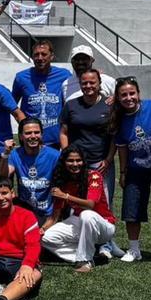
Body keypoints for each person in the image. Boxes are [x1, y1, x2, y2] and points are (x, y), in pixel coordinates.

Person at [110, 77, 151, 267]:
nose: (128, 98)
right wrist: (123, 172)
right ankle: (134, 249)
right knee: (131, 210)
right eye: (123, 95)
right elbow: (122, 148)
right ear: (118, 97)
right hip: (136, 170)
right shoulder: (118, 117)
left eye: (132, 93)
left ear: (138, 93)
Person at [41, 146, 118, 273]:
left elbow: (90, 205)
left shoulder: (94, 176)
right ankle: (90, 256)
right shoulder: (62, 181)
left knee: (87, 215)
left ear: (84, 161)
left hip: (104, 225)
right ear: (64, 162)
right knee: (45, 238)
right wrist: (42, 230)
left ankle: (85, 260)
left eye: (78, 160)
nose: (75, 164)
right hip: (79, 221)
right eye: (70, 160)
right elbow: (54, 217)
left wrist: (65, 196)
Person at [59, 68, 115, 201]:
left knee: (103, 203)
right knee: (75, 202)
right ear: (80, 84)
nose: (88, 86)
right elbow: (63, 132)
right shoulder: (71, 105)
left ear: (99, 83)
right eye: (84, 83)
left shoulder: (110, 105)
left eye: (92, 82)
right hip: (76, 164)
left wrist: (108, 160)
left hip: (101, 163)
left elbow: (114, 136)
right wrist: (68, 157)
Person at [12, 40, 73, 148]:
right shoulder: (21, 78)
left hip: (54, 139)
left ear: (52, 56)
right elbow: (12, 105)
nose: (40, 58)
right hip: (30, 138)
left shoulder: (64, 75)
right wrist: (23, 123)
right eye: (36, 54)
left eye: (44, 54)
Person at [0, 118, 60, 224]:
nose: (33, 136)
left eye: (36, 132)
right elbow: (3, 176)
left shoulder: (55, 156)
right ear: (21, 136)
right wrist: (5, 154)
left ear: (42, 134)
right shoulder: (15, 154)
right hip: (24, 210)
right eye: (28, 133)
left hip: (47, 213)